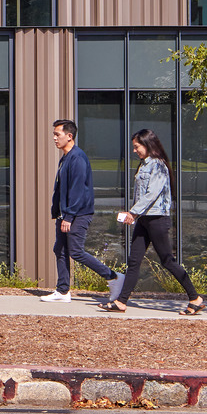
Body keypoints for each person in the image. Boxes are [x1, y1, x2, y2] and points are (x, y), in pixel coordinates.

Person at [105, 129, 205, 314]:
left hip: (157, 219)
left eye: (137, 147)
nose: (134, 151)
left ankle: (195, 298)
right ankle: (121, 302)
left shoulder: (158, 165)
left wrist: (133, 213)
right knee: (134, 261)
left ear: (147, 144)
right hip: (145, 220)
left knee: (167, 261)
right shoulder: (143, 165)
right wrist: (136, 215)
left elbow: (152, 193)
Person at [48, 120, 117, 301]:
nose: (54, 138)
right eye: (54, 134)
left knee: (76, 251)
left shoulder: (77, 158)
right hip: (66, 213)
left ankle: (114, 277)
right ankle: (63, 291)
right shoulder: (66, 157)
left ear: (69, 136)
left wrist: (69, 216)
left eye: (58, 134)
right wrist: (59, 212)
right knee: (60, 249)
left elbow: (77, 189)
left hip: (78, 214)